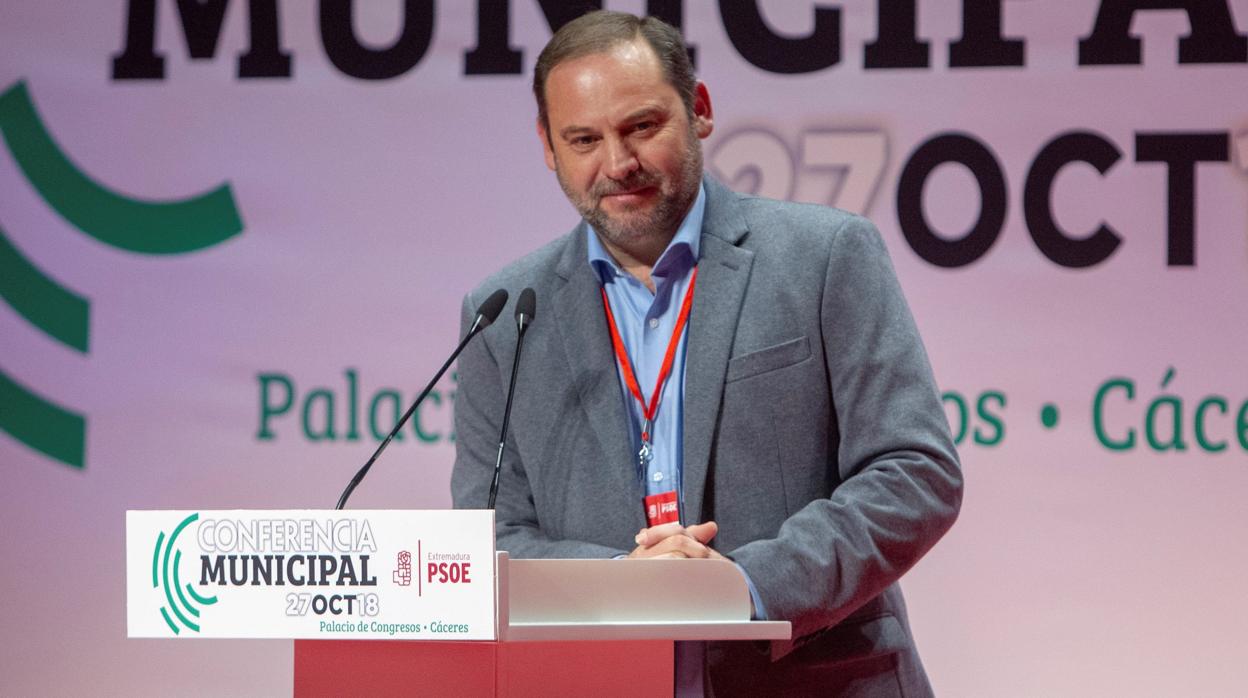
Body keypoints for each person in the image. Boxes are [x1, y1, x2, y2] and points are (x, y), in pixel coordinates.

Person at [451, 10, 962, 696]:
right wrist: (628, 587)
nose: (617, 163)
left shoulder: (825, 256)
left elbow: (915, 472)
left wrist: (742, 583)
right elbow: (492, 535)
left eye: (641, 127)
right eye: (584, 139)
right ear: (548, 145)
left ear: (700, 110)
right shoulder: (504, 311)